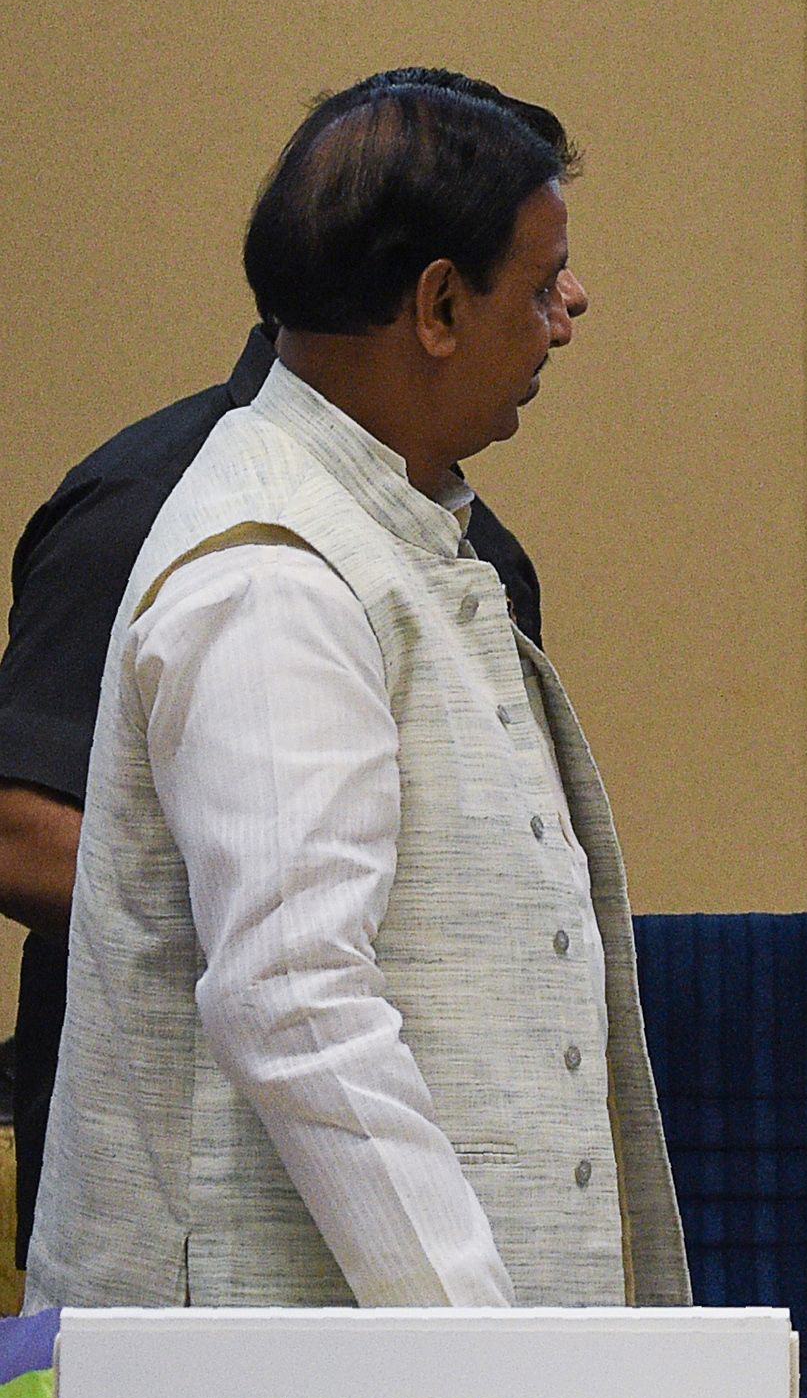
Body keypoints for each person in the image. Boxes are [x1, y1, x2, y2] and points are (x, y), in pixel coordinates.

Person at [27, 74, 689, 1310]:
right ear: (438, 304)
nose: (572, 307)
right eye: (543, 279)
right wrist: (489, 1374)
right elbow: (294, 998)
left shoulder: (379, 526)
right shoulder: (272, 572)